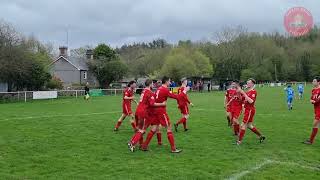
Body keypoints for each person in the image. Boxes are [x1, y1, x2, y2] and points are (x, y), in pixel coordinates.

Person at [141, 76, 182, 153]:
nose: (170, 82)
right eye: (169, 81)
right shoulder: (165, 89)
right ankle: (173, 149)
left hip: (155, 111)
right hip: (161, 111)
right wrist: (184, 91)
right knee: (168, 128)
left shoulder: (158, 89)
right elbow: (176, 97)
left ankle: (144, 146)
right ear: (166, 81)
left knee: (154, 128)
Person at [128, 79, 167, 152]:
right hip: (144, 112)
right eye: (152, 83)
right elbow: (152, 104)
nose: (153, 85)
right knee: (142, 130)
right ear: (150, 84)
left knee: (140, 129)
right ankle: (132, 143)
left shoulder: (144, 90)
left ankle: (139, 144)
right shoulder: (149, 92)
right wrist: (162, 104)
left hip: (139, 110)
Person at [236, 78, 266, 145]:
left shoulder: (253, 92)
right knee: (249, 125)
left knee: (243, 125)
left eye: (248, 83)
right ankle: (261, 136)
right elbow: (241, 100)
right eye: (247, 82)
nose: (247, 84)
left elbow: (251, 101)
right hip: (247, 110)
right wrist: (238, 93)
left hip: (249, 110)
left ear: (252, 84)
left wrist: (243, 92)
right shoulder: (247, 92)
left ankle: (239, 141)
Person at [304, 77, 320, 145]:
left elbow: (318, 100)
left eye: (314, 81)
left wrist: (313, 101)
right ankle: (311, 140)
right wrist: (312, 100)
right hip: (316, 109)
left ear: (318, 82)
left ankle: (310, 141)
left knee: (315, 124)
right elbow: (312, 98)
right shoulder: (313, 90)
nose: (313, 82)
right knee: (316, 125)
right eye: (313, 81)